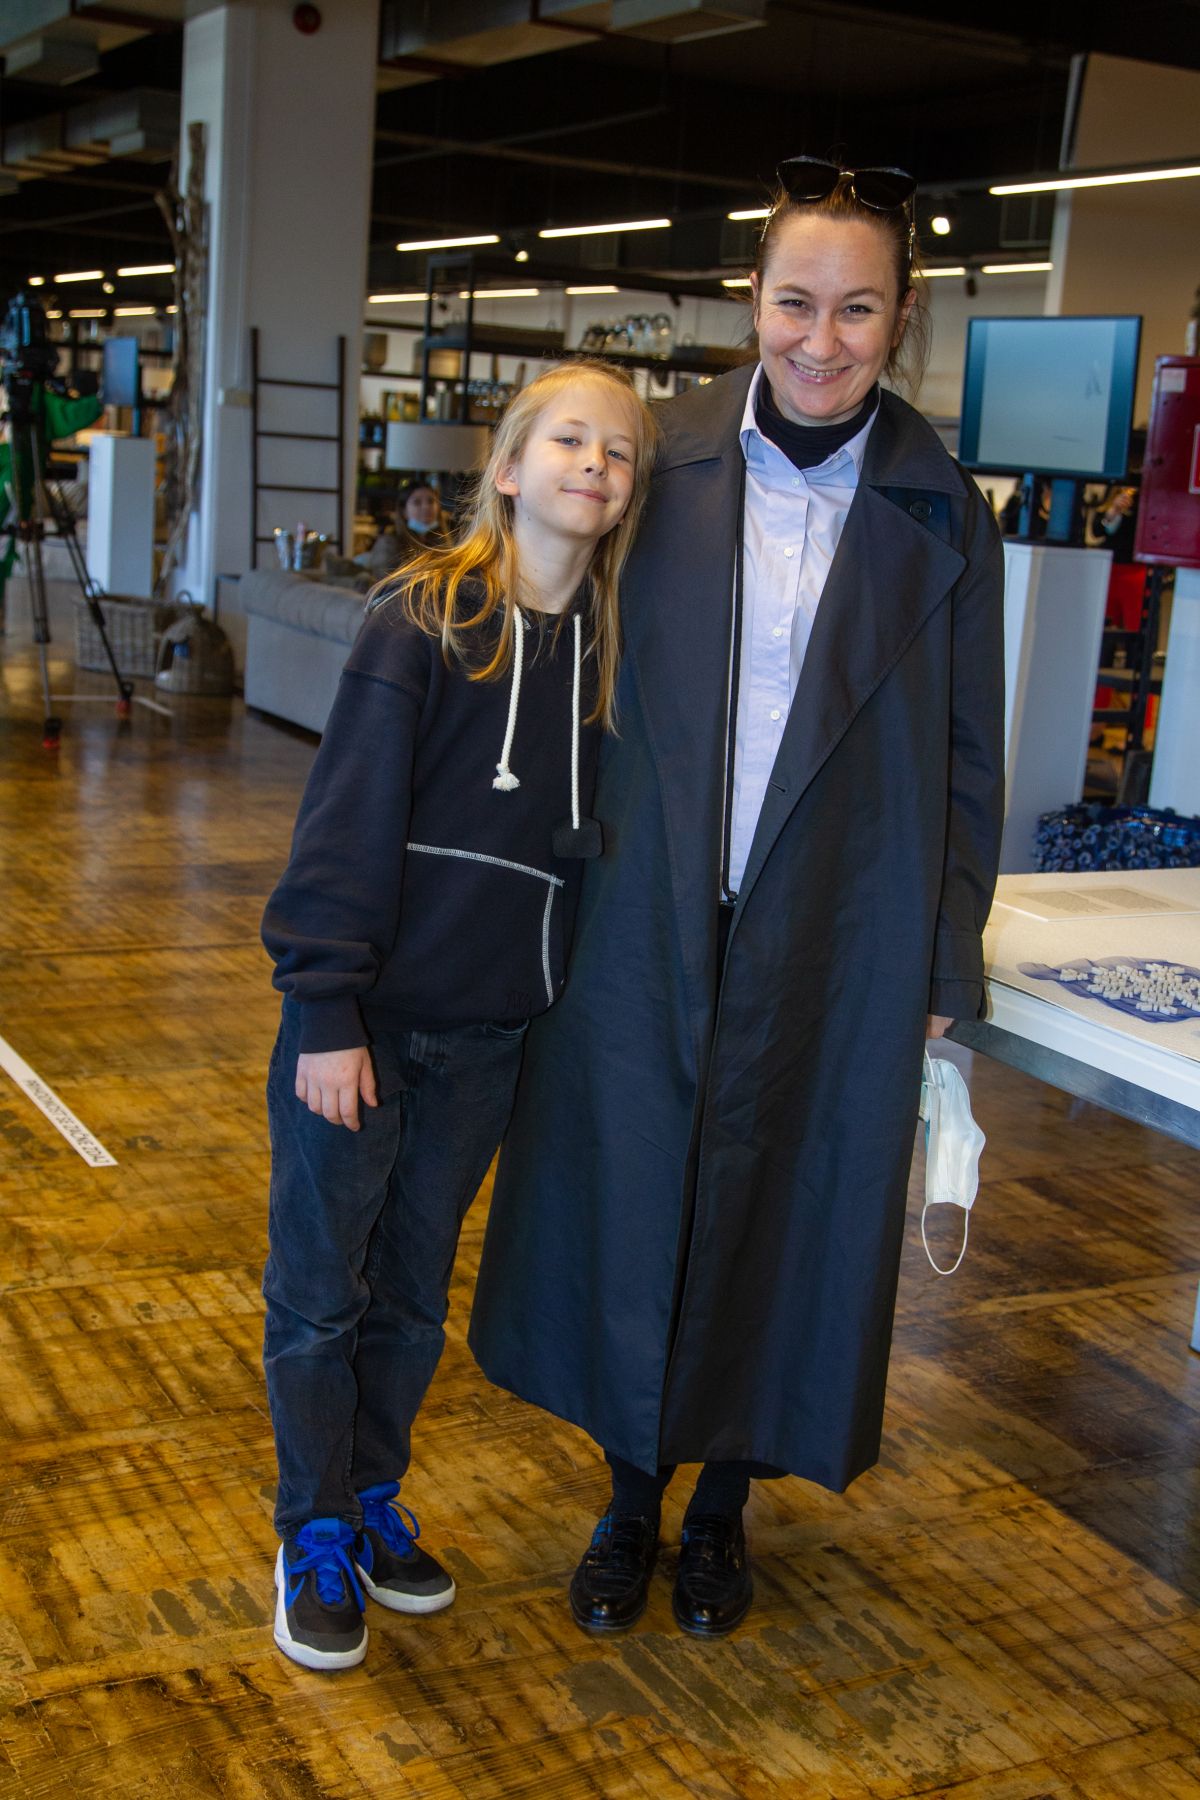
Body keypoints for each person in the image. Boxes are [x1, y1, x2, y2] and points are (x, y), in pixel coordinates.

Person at [469, 157, 1006, 1639]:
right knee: (631, 1192)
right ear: (750, 297)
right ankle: (628, 1497)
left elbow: (971, 755)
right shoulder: (658, 460)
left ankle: (720, 1509)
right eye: (794, 302)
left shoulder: (946, 513)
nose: (820, 341)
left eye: (857, 310)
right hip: (643, 901)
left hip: (841, 920)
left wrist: (944, 960)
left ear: (901, 318)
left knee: (789, 1208)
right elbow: (538, 641)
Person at [259, 360, 659, 1671]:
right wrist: (327, 1009)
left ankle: (372, 1498)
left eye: (619, 452)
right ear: (507, 467)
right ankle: (312, 1532)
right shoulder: (422, 618)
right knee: (321, 1296)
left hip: (486, 1039)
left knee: (412, 1299)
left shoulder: (612, 654)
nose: (594, 463)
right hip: (362, 1030)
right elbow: (343, 820)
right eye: (569, 439)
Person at [358, 480, 447, 579]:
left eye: (431, 501)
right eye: (417, 502)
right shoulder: (388, 543)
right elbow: (386, 581)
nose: (426, 507)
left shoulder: (444, 541)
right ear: (404, 511)